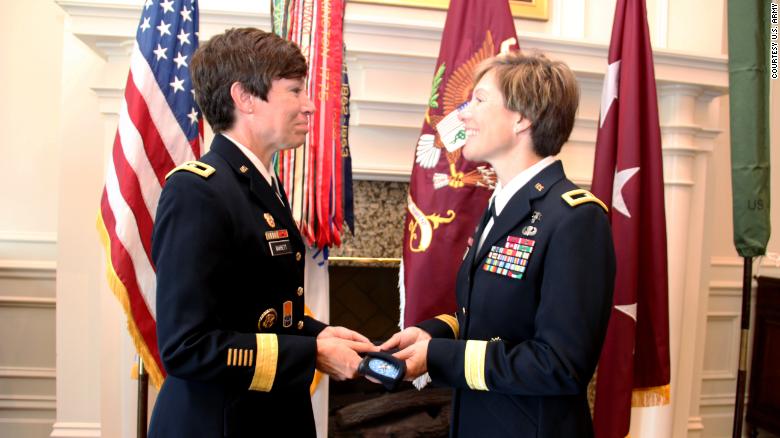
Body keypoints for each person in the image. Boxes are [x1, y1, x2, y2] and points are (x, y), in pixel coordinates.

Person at [148, 27, 376, 437]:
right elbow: (187, 348)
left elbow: (255, 311)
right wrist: (312, 353)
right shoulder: (198, 191)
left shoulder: (258, 183)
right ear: (245, 98)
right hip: (221, 422)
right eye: (294, 90)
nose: (309, 107)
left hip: (269, 414)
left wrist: (321, 333)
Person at [382, 51, 616, 437]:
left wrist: (438, 357)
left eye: (479, 100)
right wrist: (434, 334)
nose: (464, 115)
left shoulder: (575, 218)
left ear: (522, 118)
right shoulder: (501, 204)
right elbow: (499, 316)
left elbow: (559, 363)